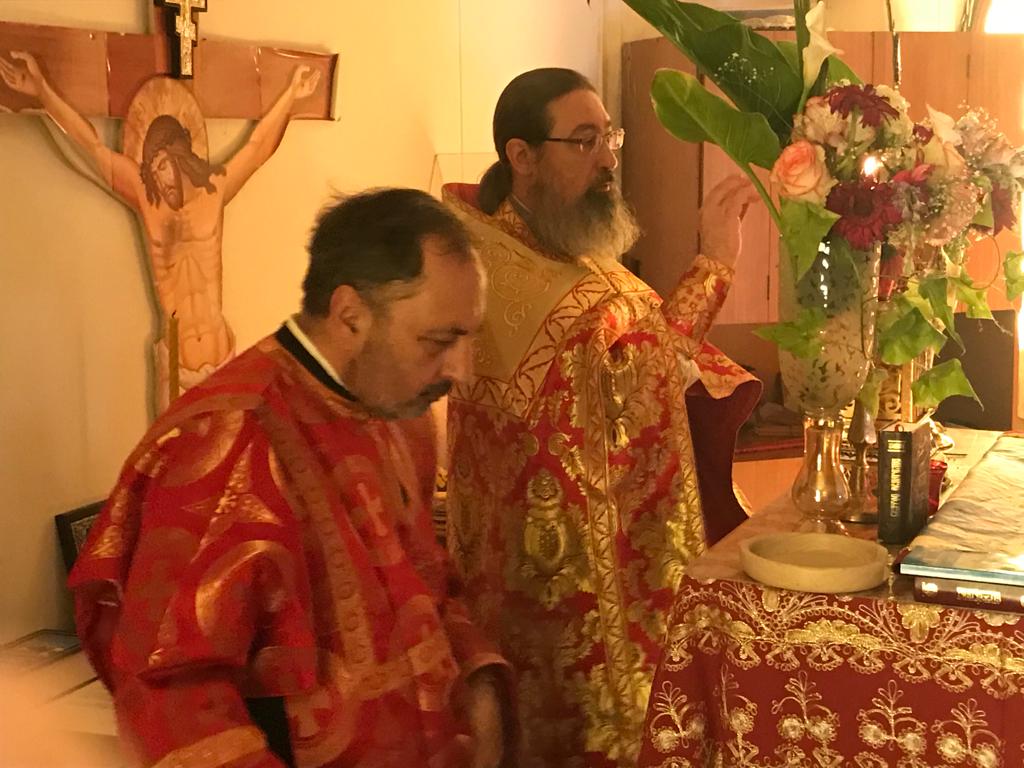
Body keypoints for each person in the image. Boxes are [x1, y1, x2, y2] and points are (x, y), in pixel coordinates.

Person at [68, 188, 511, 768]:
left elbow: (428, 586)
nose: (461, 369)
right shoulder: (228, 439)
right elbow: (173, 694)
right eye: (439, 340)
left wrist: (479, 683)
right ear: (350, 314)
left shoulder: (401, 418)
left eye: (468, 337)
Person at [441, 68, 762, 767]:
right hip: (556, 580)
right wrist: (712, 265)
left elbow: (641, 351)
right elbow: (636, 367)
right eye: (584, 141)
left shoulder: (560, 246)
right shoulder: (491, 266)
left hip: (586, 556)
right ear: (522, 156)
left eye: (609, 138)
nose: (609, 160)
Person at [0, 51, 320, 409]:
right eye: (152, 170)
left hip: (222, 355)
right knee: (168, 445)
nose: (160, 178)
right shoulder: (148, 199)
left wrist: (292, 94)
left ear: (179, 154)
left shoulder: (214, 191)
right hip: (176, 362)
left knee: (231, 445)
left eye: (163, 165)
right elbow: (91, 145)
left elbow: (258, 148)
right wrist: (42, 91)